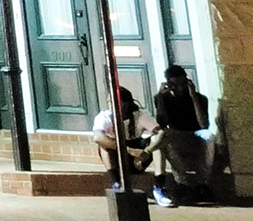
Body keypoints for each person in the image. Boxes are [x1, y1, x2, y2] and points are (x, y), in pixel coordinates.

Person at [152, 64, 216, 206]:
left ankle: (202, 183)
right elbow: (162, 122)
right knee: (164, 137)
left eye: (181, 83)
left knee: (209, 136)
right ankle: (183, 183)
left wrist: (193, 97)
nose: (179, 88)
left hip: (195, 134)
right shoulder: (163, 98)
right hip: (176, 135)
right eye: (174, 84)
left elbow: (203, 125)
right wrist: (161, 98)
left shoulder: (200, 98)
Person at [92, 88, 155, 192]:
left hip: (137, 159)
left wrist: (146, 152)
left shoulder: (139, 116)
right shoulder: (104, 116)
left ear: (126, 103)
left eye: (114, 101)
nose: (111, 104)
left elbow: (160, 132)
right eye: (109, 101)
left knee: (156, 140)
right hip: (118, 158)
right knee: (103, 144)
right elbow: (98, 137)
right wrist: (129, 150)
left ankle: (160, 184)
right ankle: (115, 181)